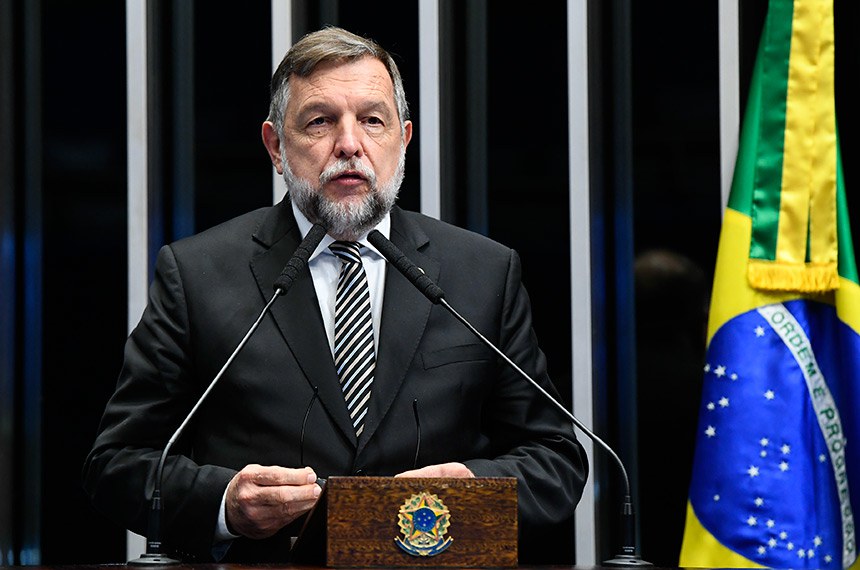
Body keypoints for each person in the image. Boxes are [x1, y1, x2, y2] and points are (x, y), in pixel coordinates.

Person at [83, 26, 587, 563]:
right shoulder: (198, 273)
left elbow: (556, 459)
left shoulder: (482, 272)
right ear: (276, 146)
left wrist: (472, 486)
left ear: (404, 139)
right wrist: (225, 503)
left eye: (373, 120)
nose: (350, 145)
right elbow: (117, 462)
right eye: (320, 122)